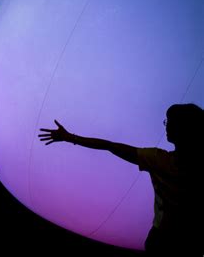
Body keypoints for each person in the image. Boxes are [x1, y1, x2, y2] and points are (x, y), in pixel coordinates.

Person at [38, 104, 204, 255]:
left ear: (183, 128)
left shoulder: (158, 160)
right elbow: (109, 146)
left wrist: (70, 137)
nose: (166, 125)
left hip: (163, 240)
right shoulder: (159, 159)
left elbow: (109, 146)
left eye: (170, 122)